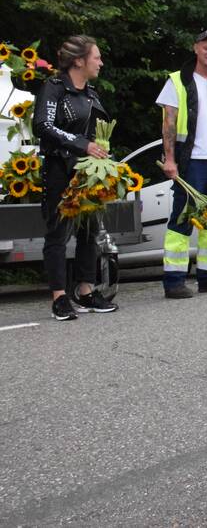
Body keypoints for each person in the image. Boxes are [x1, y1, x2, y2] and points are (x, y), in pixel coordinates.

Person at [32, 35, 118, 320]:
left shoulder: (91, 94)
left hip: (87, 173)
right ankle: (59, 297)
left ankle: (85, 290)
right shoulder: (54, 88)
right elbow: (43, 125)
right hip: (59, 169)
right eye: (96, 57)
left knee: (90, 231)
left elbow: (98, 131)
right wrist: (82, 144)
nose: (101, 62)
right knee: (58, 232)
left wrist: (102, 153)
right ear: (79, 61)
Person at [157, 30, 207, 299]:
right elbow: (169, 122)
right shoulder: (177, 81)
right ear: (195, 49)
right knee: (182, 219)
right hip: (191, 161)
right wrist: (170, 159)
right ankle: (174, 280)